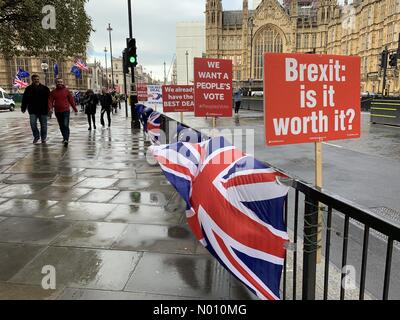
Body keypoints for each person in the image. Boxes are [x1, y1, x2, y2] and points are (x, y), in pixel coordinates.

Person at [21, 75, 50, 144]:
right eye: (35, 79)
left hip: (43, 110)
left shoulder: (45, 88)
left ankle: (43, 138)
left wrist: (50, 108)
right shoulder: (28, 88)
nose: (36, 80)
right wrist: (23, 107)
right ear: (32, 80)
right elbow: (25, 99)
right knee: (33, 124)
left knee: (44, 125)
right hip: (33, 110)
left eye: (37, 79)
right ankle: (36, 136)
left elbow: (49, 100)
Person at [48, 78, 78, 147]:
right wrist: (50, 108)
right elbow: (50, 101)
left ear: (63, 82)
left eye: (61, 82)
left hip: (66, 111)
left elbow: (71, 101)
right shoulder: (53, 92)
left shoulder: (66, 91)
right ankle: (64, 137)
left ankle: (66, 139)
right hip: (58, 111)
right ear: (56, 83)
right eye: (58, 82)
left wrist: (75, 109)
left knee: (65, 125)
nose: (59, 83)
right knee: (61, 126)